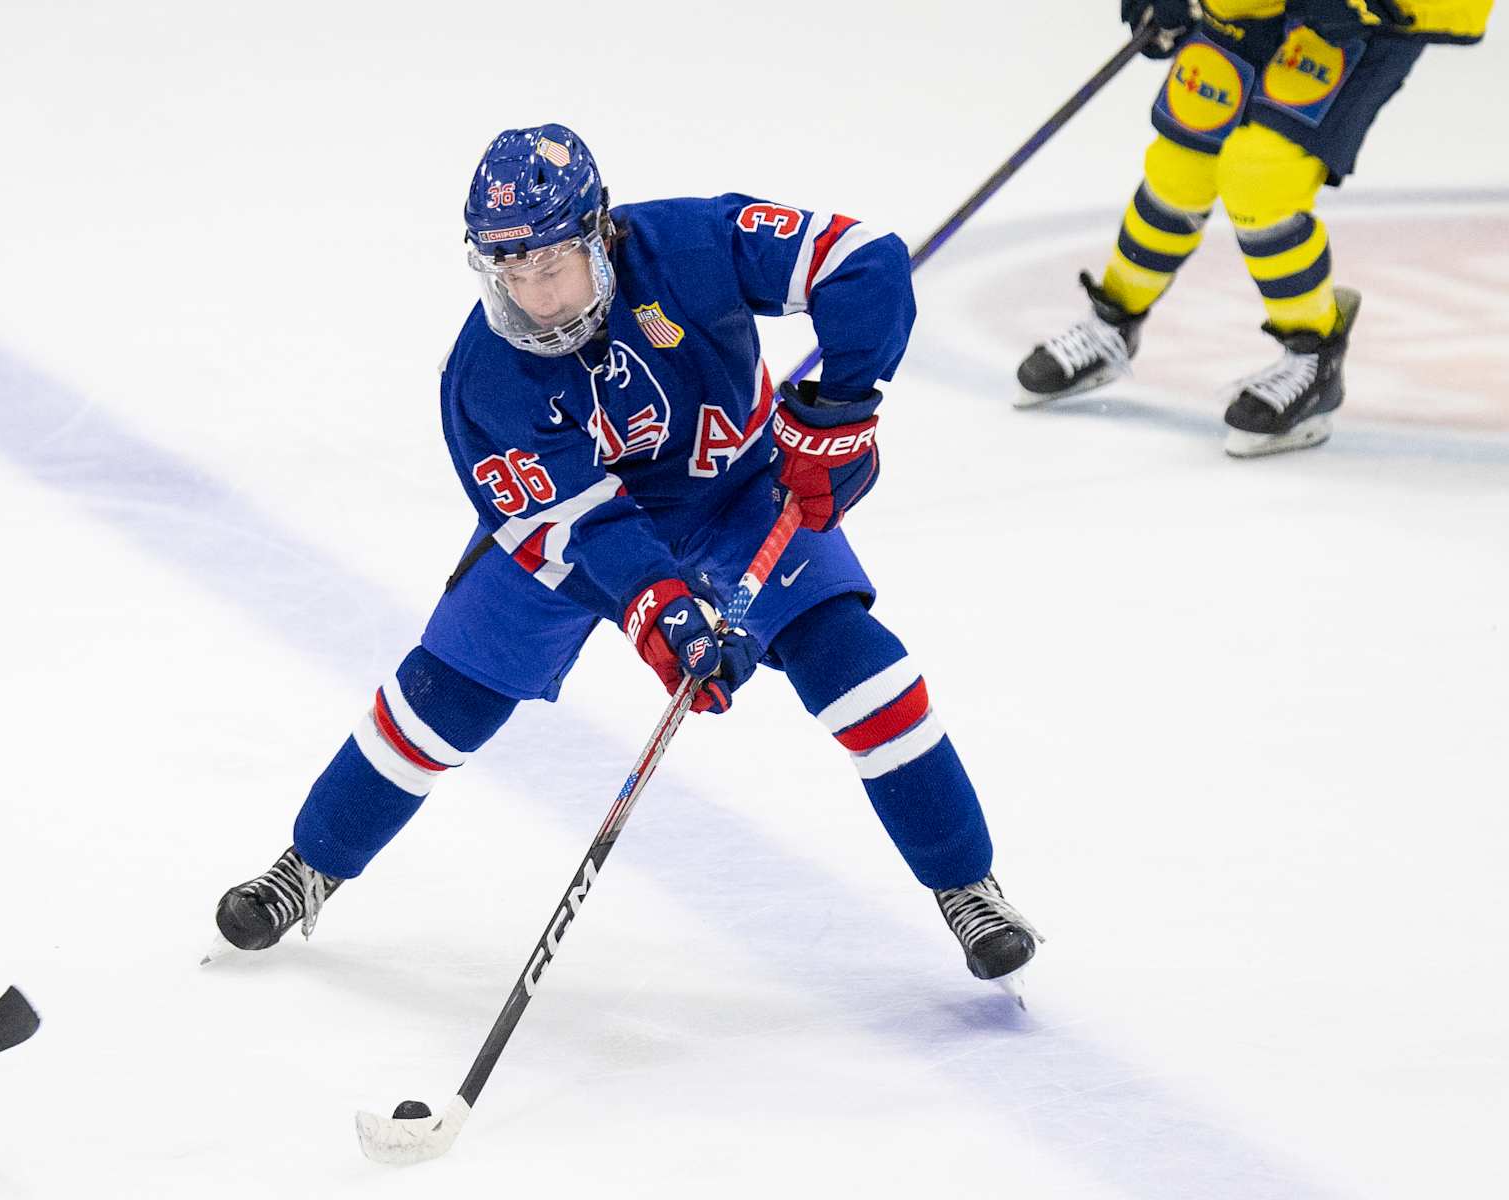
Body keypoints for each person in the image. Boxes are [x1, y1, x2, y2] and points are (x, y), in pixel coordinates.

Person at [212, 124, 1042, 992]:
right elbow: (583, 528)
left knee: (857, 665)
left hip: (734, 494)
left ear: (599, 230)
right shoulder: (485, 377)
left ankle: (967, 886)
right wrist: (664, 607)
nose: (532, 293)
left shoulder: (693, 244)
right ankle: (310, 864)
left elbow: (866, 261)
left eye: (550, 262)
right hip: (584, 533)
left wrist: (839, 409)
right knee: (445, 692)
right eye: (509, 268)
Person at [1016, 0, 1492, 457]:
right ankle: (1112, 326)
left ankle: (1314, 360)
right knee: (1180, 165)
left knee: (1263, 176)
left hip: (1358, 19)